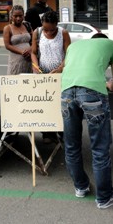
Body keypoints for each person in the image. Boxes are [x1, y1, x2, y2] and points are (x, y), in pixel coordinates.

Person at [61, 33, 113, 209]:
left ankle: (80, 187)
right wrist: (108, 84)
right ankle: (104, 198)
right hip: (92, 92)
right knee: (100, 147)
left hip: (66, 93)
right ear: (104, 39)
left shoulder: (73, 47)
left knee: (71, 145)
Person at [31, 10, 70, 143]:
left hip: (60, 75)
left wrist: (60, 69)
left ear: (56, 25)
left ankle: (62, 132)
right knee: (45, 104)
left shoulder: (63, 33)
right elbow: (33, 53)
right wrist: (36, 67)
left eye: (52, 30)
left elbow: (69, 54)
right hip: (43, 75)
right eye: (46, 29)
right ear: (42, 24)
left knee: (60, 105)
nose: (49, 32)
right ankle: (48, 133)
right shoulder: (37, 32)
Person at [3, 5, 33, 75]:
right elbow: (7, 45)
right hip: (15, 61)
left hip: (29, 60)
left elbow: (34, 41)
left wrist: (30, 50)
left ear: (23, 16)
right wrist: (22, 52)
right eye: (15, 16)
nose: (18, 18)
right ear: (11, 16)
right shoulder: (7, 28)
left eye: (20, 16)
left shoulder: (27, 25)